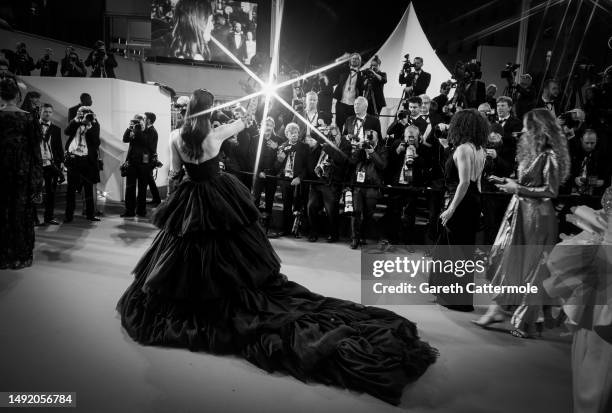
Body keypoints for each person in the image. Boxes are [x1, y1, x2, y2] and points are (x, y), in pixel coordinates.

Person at [116, 89, 437, 405]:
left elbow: (174, 172)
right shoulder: (215, 135)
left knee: (190, 250)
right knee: (230, 250)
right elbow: (247, 120)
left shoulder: (175, 136)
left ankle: (198, 296)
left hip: (190, 196)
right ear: (209, 109)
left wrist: (179, 197)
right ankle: (228, 291)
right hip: (218, 196)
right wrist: (253, 106)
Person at [473, 108, 570, 338]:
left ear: (539, 129)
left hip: (538, 218)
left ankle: (525, 320)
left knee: (532, 269)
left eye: (528, 126)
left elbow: (551, 190)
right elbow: (529, 182)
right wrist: (508, 181)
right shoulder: (532, 152)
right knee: (509, 261)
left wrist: (517, 188)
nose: (523, 131)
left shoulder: (550, 155)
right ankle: (498, 309)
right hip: (520, 213)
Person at [429, 109, 488, 312]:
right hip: (473, 200)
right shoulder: (480, 150)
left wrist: (450, 209)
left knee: (455, 252)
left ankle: (454, 299)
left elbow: (463, 183)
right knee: (459, 250)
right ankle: (453, 296)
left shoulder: (463, 149)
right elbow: (477, 183)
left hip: (461, 201)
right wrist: (478, 208)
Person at [0, 75, 43, 269]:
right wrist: (37, 184)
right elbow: (36, 153)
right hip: (22, 174)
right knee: (20, 214)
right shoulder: (28, 118)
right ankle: (18, 254)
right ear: (18, 95)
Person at [63, 106, 101, 223]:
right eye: (80, 113)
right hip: (74, 160)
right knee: (71, 189)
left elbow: (96, 142)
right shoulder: (75, 122)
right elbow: (67, 132)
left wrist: (89, 126)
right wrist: (76, 120)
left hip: (87, 160)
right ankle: (69, 215)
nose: (83, 115)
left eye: (85, 113)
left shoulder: (94, 124)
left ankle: (90, 214)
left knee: (88, 188)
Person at [121, 114, 157, 218]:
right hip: (132, 163)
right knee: (130, 188)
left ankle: (141, 211)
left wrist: (138, 130)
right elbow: (125, 139)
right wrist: (129, 127)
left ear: (144, 121)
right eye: (137, 121)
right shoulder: (134, 130)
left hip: (144, 164)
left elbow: (146, 142)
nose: (139, 122)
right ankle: (129, 211)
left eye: (141, 120)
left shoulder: (150, 131)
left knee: (142, 189)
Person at [38, 103, 64, 225]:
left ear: (52, 114)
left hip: (50, 164)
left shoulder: (56, 129)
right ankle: (33, 219)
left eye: (49, 112)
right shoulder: (33, 126)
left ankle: (49, 217)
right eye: (45, 111)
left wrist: (61, 163)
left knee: (50, 192)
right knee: (34, 191)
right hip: (36, 164)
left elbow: (59, 148)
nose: (47, 114)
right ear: (40, 112)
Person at [333, 52, 365, 129]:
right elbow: (336, 63)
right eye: (353, 58)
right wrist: (343, 57)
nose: (354, 60)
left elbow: (362, 89)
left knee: (350, 127)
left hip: (353, 105)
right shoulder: (344, 70)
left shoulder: (361, 74)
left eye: (356, 58)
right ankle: (338, 140)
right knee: (338, 125)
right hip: (341, 103)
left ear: (359, 62)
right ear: (350, 60)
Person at [144, 112, 162, 206]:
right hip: (148, 157)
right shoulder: (150, 130)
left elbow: (148, 145)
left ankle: (156, 199)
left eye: (144, 118)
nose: (143, 120)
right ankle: (156, 198)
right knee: (149, 179)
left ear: (149, 120)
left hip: (148, 158)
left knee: (149, 178)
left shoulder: (151, 130)